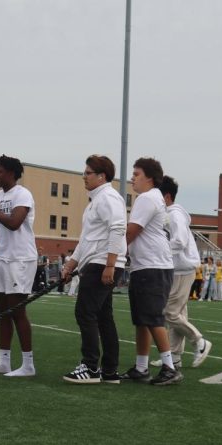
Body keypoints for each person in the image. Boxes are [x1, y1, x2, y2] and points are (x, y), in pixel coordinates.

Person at [60, 155, 126, 384]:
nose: (83, 176)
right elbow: (87, 239)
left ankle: (90, 367)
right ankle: (109, 371)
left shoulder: (108, 197)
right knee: (103, 317)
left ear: (102, 176)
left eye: (88, 172)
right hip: (97, 262)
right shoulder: (96, 200)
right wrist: (72, 263)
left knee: (85, 312)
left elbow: (118, 229)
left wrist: (110, 264)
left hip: (102, 263)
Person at [122, 157, 180, 385]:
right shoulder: (153, 198)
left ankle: (169, 367)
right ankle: (141, 367)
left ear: (149, 177)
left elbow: (131, 231)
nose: (132, 178)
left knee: (153, 318)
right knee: (142, 319)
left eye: (136, 174)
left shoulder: (147, 198)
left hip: (152, 266)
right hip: (148, 264)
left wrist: (112, 255)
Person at [0, 155, 38, 377]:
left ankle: (28, 364)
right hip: (2, 258)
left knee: (17, 311)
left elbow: (14, 223)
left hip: (21, 259)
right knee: (2, 312)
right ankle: (4, 361)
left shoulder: (23, 194)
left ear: (12, 173)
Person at [159, 176, 212, 370]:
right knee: (178, 313)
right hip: (177, 269)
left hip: (182, 268)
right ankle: (174, 356)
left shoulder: (174, 215)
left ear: (166, 196)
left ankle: (199, 341)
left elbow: (179, 241)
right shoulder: (171, 214)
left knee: (169, 313)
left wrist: (160, 252)